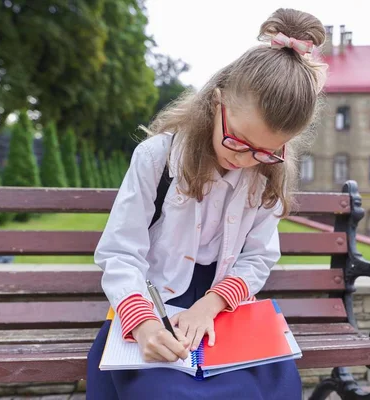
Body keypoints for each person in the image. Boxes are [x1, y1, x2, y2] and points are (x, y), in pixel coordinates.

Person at [86, 7, 328, 400]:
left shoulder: (267, 174)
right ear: (217, 103)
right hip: (155, 304)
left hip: (226, 307)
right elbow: (120, 253)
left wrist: (210, 305)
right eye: (237, 141)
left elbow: (258, 258)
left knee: (271, 389)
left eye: (265, 152)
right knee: (164, 391)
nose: (246, 159)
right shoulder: (157, 158)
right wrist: (144, 324)